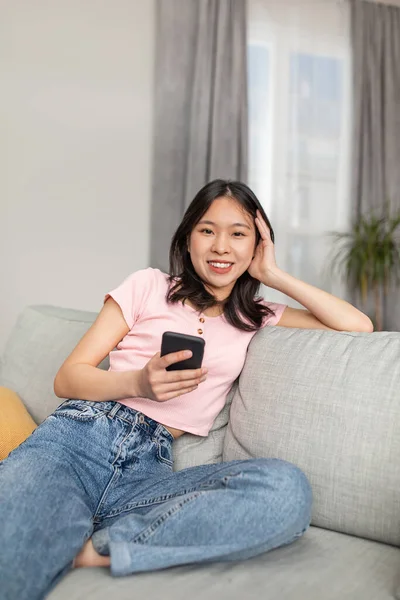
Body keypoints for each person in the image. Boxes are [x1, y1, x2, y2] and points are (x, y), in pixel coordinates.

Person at [0, 179, 372, 600]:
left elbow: (358, 325)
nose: (221, 246)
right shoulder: (148, 286)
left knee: (286, 490)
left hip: (148, 474)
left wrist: (273, 274)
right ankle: (63, 529)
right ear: (188, 237)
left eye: (238, 234)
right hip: (75, 443)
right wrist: (137, 381)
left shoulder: (258, 315)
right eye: (207, 230)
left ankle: (102, 548)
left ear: (256, 245)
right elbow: (67, 377)